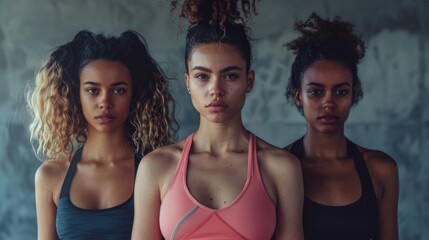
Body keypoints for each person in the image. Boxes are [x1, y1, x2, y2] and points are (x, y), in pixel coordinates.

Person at [132, 0, 304, 239]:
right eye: (202, 76)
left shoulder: (280, 168)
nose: (216, 89)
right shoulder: (156, 167)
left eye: (230, 76)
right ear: (188, 82)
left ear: (249, 81)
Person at [27, 30, 175, 240]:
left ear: (135, 94)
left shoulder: (156, 170)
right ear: (75, 94)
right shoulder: (50, 176)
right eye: (93, 90)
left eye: (118, 90)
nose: (105, 102)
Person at [283, 12, 399, 240]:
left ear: (353, 95)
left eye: (341, 91)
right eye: (316, 91)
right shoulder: (277, 167)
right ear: (298, 96)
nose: (328, 102)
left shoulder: (381, 169)